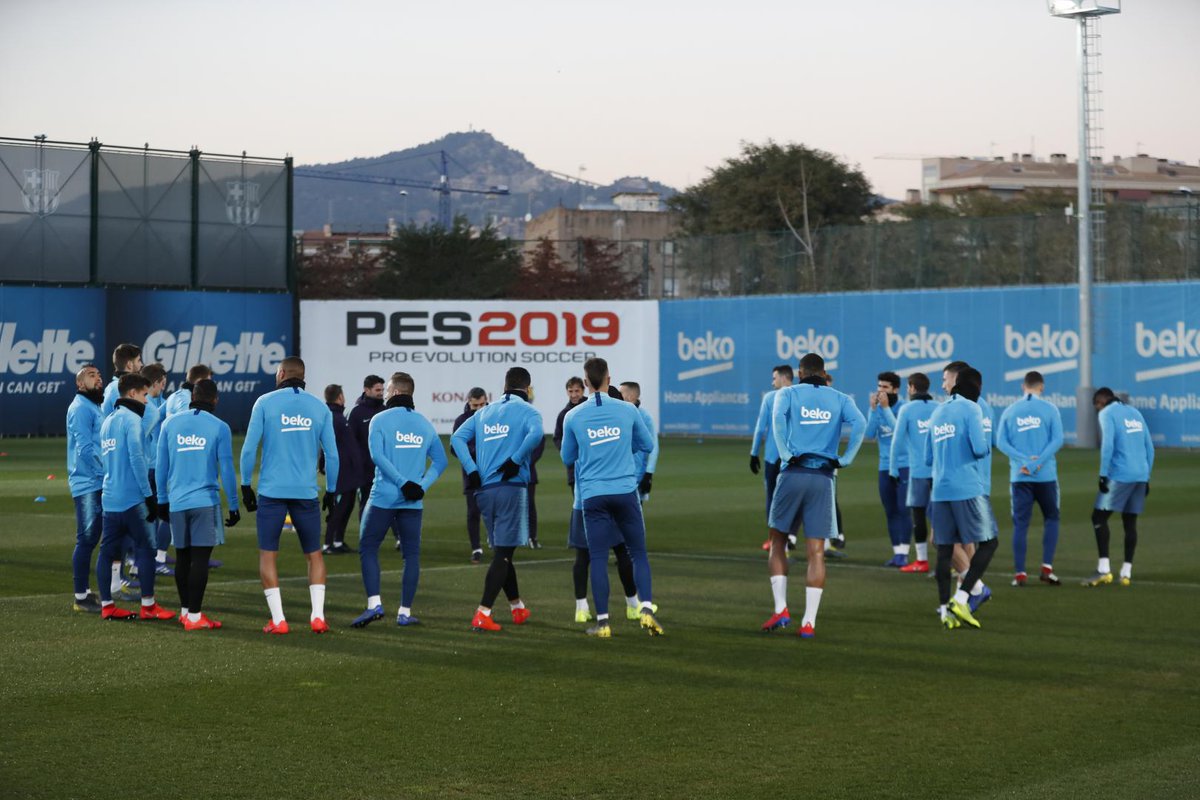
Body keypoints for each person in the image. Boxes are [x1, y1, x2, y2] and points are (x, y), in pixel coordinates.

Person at [761, 353, 866, 639]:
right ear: (824, 371)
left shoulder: (788, 393)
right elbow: (861, 425)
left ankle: (781, 608)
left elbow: (778, 422)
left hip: (792, 474)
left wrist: (784, 454)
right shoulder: (841, 398)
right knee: (816, 551)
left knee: (777, 543)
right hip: (823, 478)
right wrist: (845, 459)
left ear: (800, 372)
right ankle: (809, 622)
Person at [562, 358, 661, 638]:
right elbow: (647, 444)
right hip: (625, 491)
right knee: (638, 553)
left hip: (593, 494)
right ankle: (646, 610)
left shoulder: (574, 416)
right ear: (609, 378)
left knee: (596, 556)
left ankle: (603, 622)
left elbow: (567, 456)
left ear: (585, 383)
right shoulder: (628, 410)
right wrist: (621, 444)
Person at [239, 356, 339, 634]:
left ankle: (279, 620)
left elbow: (249, 449)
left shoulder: (265, 402)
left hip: (272, 491)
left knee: (268, 555)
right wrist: (331, 490)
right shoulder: (319, 407)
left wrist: (246, 486)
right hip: (306, 492)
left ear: (281, 373)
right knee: (315, 554)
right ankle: (317, 617)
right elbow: (332, 454)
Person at [350, 372, 447, 628]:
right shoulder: (424, 423)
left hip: (383, 496)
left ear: (392, 392)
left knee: (368, 547)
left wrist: (402, 483)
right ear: (410, 393)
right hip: (412, 501)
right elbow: (441, 461)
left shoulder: (379, 419)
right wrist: (419, 486)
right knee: (411, 555)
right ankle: (404, 612)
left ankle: (374, 605)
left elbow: (377, 456)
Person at [451, 367, 543, 633]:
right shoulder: (528, 411)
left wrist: (472, 469)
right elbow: (536, 435)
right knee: (504, 553)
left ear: (504, 386)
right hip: (510, 488)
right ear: (527, 388)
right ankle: (483, 612)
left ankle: (517, 607)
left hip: (484, 491)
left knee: (504, 550)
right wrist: (515, 460)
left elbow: (456, 438)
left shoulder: (484, 413)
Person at [155, 379, 239, 630]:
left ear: (193, 395)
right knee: (200, 558)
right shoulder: (219, 427)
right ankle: (194, 616)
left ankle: (185, 611)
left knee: (182, 557)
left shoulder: (170, 424)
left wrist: (161, 499)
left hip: (177, 501)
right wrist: (233, 505)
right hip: (204, 501)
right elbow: (226, 469)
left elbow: (161, 466)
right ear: (215, 399)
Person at [94, 373, 174, 621]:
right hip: (132, 500)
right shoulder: (132, 421)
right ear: (131, 394)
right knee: (146, 550)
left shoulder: (107, 421)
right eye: (143, 395)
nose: (147, 401)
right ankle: (148, 607)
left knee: (107, 552)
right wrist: (149, 496)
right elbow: (137, 459)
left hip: (110, 499)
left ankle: (107, 605)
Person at [924, 367, 997, 630]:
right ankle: (966, 595)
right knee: (989, 542)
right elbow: (980, 448)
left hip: (940, 490)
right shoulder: (972, 409)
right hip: (966, 487)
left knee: (944, 550)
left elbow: (927, 459)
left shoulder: (937, 412)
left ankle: (946, 610)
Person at [996, 371, 1064, 586]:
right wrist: (1037, 463)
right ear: (1041, 387)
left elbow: (1000, 442)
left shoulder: (1010, 410)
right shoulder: (1050, 409)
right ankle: (1046, 568)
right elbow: (1058, 440)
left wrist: (1024, 460)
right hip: (1045, 476)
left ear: (1022, 386)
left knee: (1020, 524)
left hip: (1020, 476)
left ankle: (1020, 574)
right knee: (1052, 518)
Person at [1084, 387, 1154, 587]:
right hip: (1140, 474)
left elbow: (1108, 445)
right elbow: (1149, 447)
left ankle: (1104, 570)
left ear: (1100, 402)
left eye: (1097, 407)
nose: (1097, 411)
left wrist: (1103, 475)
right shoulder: (1135, 413)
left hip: (1121, 475)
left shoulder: (1107, 413)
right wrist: (1147, 476)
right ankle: (1126, 572)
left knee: (1098, 517)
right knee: (1129, 522)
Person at [941, 360, 996, 606]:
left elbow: (976, 448)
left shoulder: (965, 408)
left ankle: (972, 589)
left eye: (946, 379)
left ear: (957, 380)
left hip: (965, 484)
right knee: (966, 541)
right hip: (976, 483)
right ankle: (963, 598)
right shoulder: (983, 407)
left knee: (947, 540)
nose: (943, 385)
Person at [67, 364, 106, 613]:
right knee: (87, 538)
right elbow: (85, 448)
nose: (98, 379)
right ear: (81, 384)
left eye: (99, 375)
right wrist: (105, 470)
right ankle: (80, 596)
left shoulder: (93, 406)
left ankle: (87, 592)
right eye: (92, 376)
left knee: (96, 537)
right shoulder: (81, 408)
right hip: (88, 482)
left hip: (97, 480)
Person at [888, 373, 936, 573]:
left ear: (912, 388)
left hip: (917, 471)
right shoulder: (938, 408)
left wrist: (893, 468)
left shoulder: (907, 409)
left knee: (918, 515)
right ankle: (950, 561)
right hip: (938, 471)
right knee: (940, 517)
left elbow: (897, 441)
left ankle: (922, 561)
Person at [867, 371, 909, 566]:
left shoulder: (904, 408)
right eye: (879, 386)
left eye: (885, 387)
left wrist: (884, 409)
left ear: (895, 389)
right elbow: (869, 434)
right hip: (884, 466)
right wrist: (873, 410)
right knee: (890, 510)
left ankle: (905, 553)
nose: (880, 390)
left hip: (904, 465)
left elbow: (899, 431)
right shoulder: (878, 408)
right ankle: (897, 553)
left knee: (903, 509)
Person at [750, 365, 794, 551]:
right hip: (794, 457)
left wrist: (753, 454)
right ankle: (791, 537)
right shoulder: (799, 397)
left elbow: (760, 428)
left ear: (784, 378)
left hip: (773, 457)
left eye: (774, 378)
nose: (772, 381)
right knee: (793, 499)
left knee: (773, 499)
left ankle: (776, 541)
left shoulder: (770, 398)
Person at [141, 363, 175, 578]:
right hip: (157, 465)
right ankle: (157, 558)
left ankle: (148, 556)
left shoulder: (151, 403)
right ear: (156, 382)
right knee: (164, 514)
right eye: (162, 382)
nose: (164, 386)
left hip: (151, 465)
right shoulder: (151, 407)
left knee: (151, 514)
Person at [321, 384, 362, 555]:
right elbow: (327, 445)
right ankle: (327, 544)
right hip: (341, 471)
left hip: (348, 471)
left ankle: (338, 541)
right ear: (339, 397)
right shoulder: (333, 417)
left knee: (348, 505)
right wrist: (323, 464)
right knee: (339, 507)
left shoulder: (337, 416)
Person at [452, 388, 489, 562]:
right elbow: (454, 447)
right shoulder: (461, 420)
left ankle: (496, 542)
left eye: (482, 404)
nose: (479, 408)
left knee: (494, 510)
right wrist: (473, 454)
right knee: (473, 512)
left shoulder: (493, 417)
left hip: (492, 473)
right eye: (475, 405)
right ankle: (476, 548)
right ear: (468, 403)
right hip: (471, 474)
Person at [347, 374, 386, 527]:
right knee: (366, 503)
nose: (381, 393)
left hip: (384, 468)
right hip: (364, 469)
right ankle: (365, 534)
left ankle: (398, 537)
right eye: (377, 390)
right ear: (366, 390)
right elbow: (351, 443)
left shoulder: (385, 410)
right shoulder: (356, 413)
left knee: (390, 501)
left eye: (382, 390)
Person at [619, 381, 659, 502]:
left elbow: (653, 446)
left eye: (620, 393)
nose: (616, 395)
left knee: (633, 517)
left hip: (636, 477)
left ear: (630, 397)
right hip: (618, 476)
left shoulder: (645, 417)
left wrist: (649, 474)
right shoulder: (617, 414)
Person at [101, 343, 142, 416]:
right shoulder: (119, 389)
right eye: (138, 360)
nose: (141, 364)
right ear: (129, 364)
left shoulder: (115, 387)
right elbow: (126, 420)